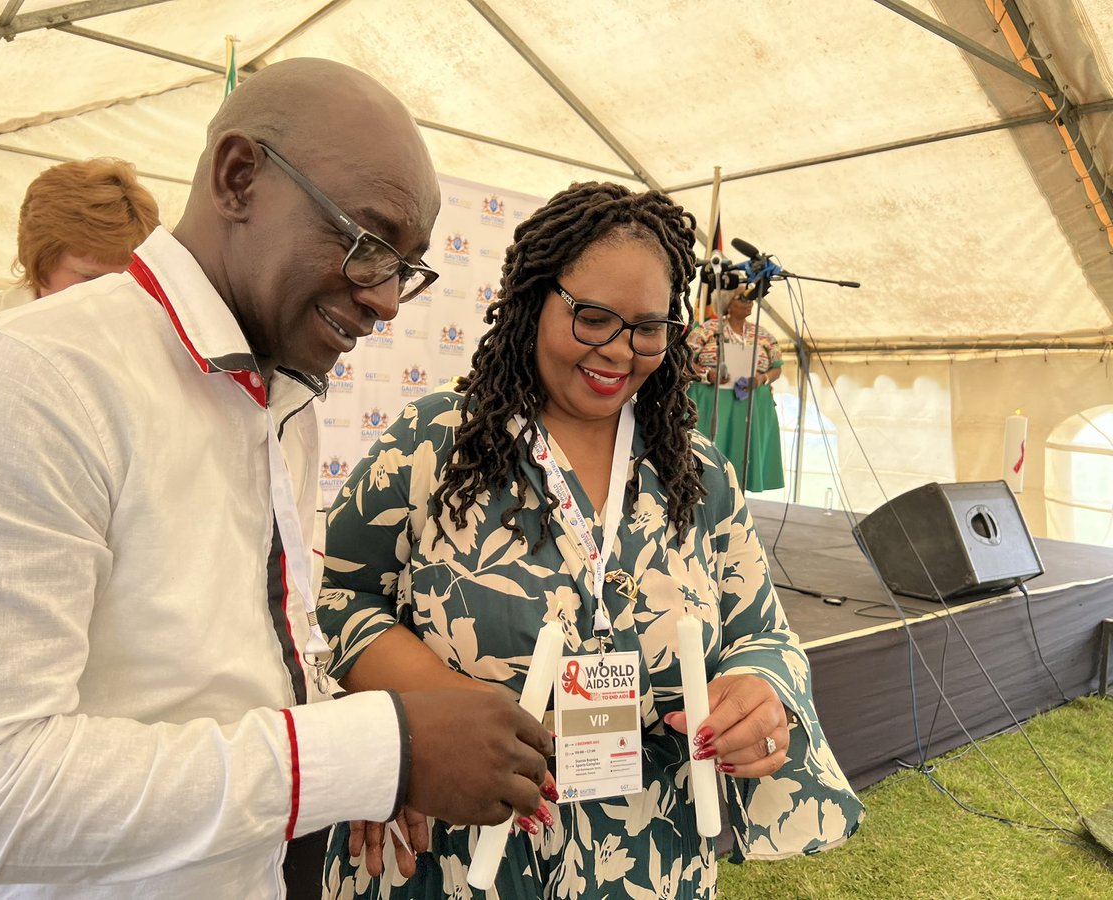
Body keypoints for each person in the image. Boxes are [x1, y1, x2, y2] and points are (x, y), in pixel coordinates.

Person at [0, 58, 553, 897]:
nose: (389, 300)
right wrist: (366, 749)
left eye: (408, 267)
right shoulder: (29, 379)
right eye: (368, 244)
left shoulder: (280, 397)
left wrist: (355, 764)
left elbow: (219, 678)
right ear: (239, 177)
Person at [316, 182, 863, 899]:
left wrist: (758, 692)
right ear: (534, 298)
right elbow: (338, 598)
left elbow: (761, 631)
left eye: (649, 326)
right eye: (593, 317)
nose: (619, 351)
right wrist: (436, 726)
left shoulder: (698, 474)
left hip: (645, 857)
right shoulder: (435, 443)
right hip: (453, 849)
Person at [0, 157, 160, 355]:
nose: (111, 296)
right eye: (90, 278)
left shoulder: (148, 350)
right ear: (39, 262)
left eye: (126, 282)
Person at [686, 278, 785, 491]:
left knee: (742, 460)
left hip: (752, 406)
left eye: (750, 298)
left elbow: (777, 366)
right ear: (728, 302)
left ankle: (736, 508)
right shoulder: (707, 329)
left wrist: (761, 379)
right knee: (707, 460)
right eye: (742, 297)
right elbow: (685, 362)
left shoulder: (763, 334)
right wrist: (707, 374)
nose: (749, 302)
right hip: (712, 403)